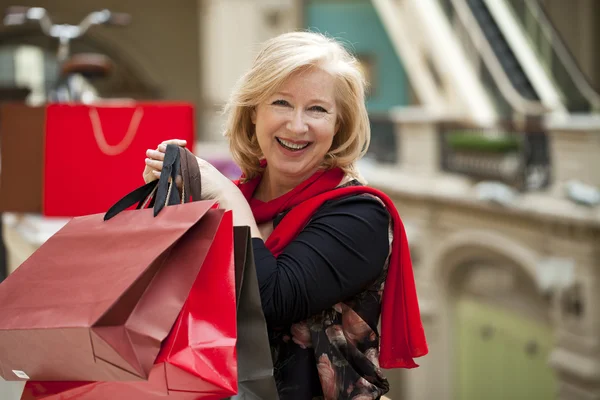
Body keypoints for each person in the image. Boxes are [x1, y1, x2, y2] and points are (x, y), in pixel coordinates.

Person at [143, 31, 428, 400]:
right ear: (253, 112)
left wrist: (225, 196)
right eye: (281, 103)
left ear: (339, 124)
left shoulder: (360, 215)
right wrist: (167, 203)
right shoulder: (238, 198)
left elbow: (272, 302)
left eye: (317, 109)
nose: (297, 126)